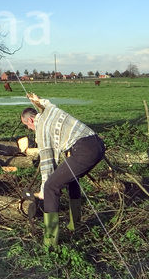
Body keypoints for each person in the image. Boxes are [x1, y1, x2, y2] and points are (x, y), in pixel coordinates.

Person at [21, 93, 105, 248]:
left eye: (27, 125)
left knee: (51, 186)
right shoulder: (50, 111)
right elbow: (48, 104)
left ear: (31, 120)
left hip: (85, 150)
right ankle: (75, 225)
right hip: (98, 144)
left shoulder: (41, 128)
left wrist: (43, 191)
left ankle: (50, 242)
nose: (29, 128)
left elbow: (47, 162)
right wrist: (38, 101)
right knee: (72, 179)